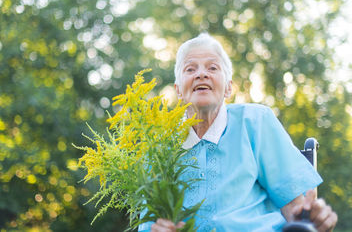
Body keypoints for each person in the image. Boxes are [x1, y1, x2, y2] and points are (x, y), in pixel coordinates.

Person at [138, 33, 338, 232]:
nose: (201, 74)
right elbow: (148, 225)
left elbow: (295, 209)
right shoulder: (159, 146)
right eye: (190, 69)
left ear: (228, 88)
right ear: (178, 90)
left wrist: (309, 218)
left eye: (213, 68)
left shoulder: (256, 122)